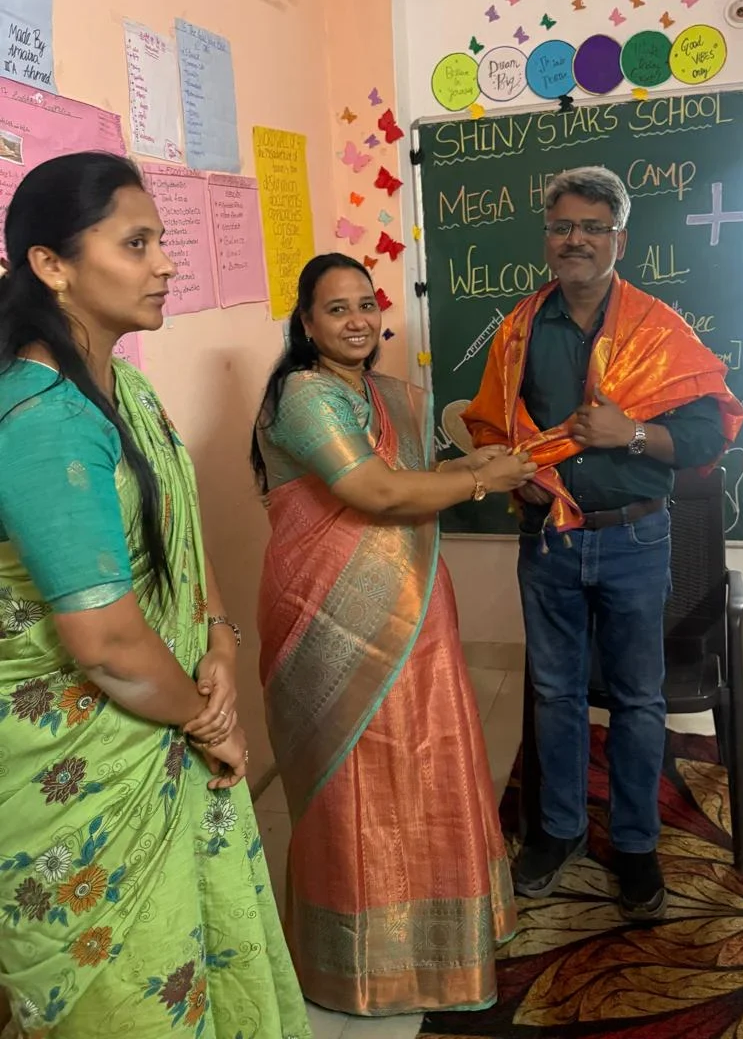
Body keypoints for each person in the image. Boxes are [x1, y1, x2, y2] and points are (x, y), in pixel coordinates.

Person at [0, 153, 309, 1039]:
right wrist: (210, 721)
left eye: (161, 241)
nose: (166, 263)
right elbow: (105, 644)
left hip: (164, 711)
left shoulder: (123, 387)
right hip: (84, 766)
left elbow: (177, 531)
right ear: (51, 265)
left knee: (203, 965)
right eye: (136, 244)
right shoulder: (40, 421)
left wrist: (219, 638)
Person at [251, 253, 534, 1017]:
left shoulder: (382, 394)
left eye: (365, 305)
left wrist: (466, 461)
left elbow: (410, 469)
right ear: (306, 322)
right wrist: (482, 480)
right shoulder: (304, 395)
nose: (356, 321)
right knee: (355, 781)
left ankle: (436, 942)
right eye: (335, 308)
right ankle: (359, 965)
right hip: (328, 620)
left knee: (427, 756)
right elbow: (374, 489)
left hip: (414, 607)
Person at [462, 166, 743, 921]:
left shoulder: (659, 328)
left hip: (635, 539)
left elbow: (704, 434)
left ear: (620, 238)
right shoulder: (519, 331)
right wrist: (517, 474)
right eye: (562, 226)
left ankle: (635, 843)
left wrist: (634, 434)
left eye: (593, 227)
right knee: (554, 694)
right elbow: (491, 426)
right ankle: (557, 833)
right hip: (549, 541)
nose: (576, 240)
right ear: (547, 238)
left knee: (637, 699)